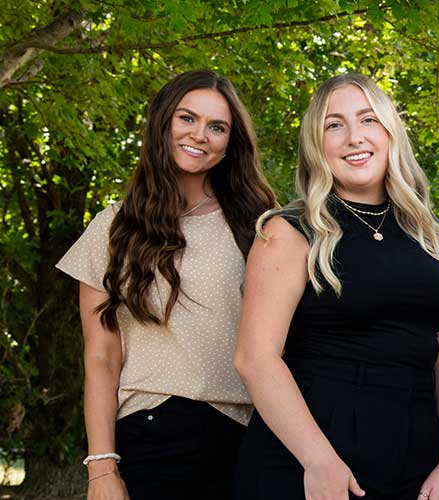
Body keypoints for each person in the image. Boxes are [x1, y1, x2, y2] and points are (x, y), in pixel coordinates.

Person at [232, 74, 439, 500]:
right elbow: (255, 358)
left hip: (413, 464)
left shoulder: (432, 233)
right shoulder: (288, 232)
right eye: (334, 125)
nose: (353, 138)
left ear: (390, 132)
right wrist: (318, 460)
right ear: (315, 144)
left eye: (367, 120)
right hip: (311, 466)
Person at [58, 69, 277, 500]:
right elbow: (101, 355)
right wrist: (102, 468)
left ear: (231, 142)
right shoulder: (113, 228)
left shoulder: (261, 225)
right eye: (187, 118)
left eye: (217, 127)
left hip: (249, 438)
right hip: (149, 433)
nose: (200, 134)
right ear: (163, 122)